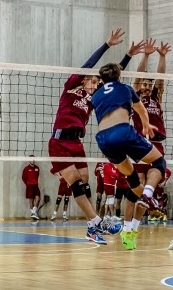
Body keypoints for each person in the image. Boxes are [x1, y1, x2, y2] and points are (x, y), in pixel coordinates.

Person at [48, 29, 143, 244]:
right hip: (59, 142)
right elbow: (89, 63)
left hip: (76, 143)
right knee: (76, 183)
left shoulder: (95, 97)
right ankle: (97, 221)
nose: (94, 84)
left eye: (96, 82)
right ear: (83, 80)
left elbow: (113, 77)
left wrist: (128, 55)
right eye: (91, 81)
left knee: (85, 182)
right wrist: (107, 44)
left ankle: (92, 228)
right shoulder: (71, 87)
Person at [92, 62, 168, 250]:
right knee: (159, 162)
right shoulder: (126, 88)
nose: (146, 86)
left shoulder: (96, 94)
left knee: (133, 182)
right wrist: (146, 125)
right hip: (126, 134)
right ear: (119, 77)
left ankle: (128, 230)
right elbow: (141, 109)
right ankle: (147, 196)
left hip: (103, 139)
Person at [118, 39, 171, 249]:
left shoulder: (157, 97)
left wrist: (162, 57)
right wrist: (146, 55)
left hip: (156, 145)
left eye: (150, 84)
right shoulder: (134, 98)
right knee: (136, 189)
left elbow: (161, 79)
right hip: (138, 145)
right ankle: (126, 229)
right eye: (145, 84)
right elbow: (138, 77)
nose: (147, 86)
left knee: (147, 192)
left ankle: (133, 229)